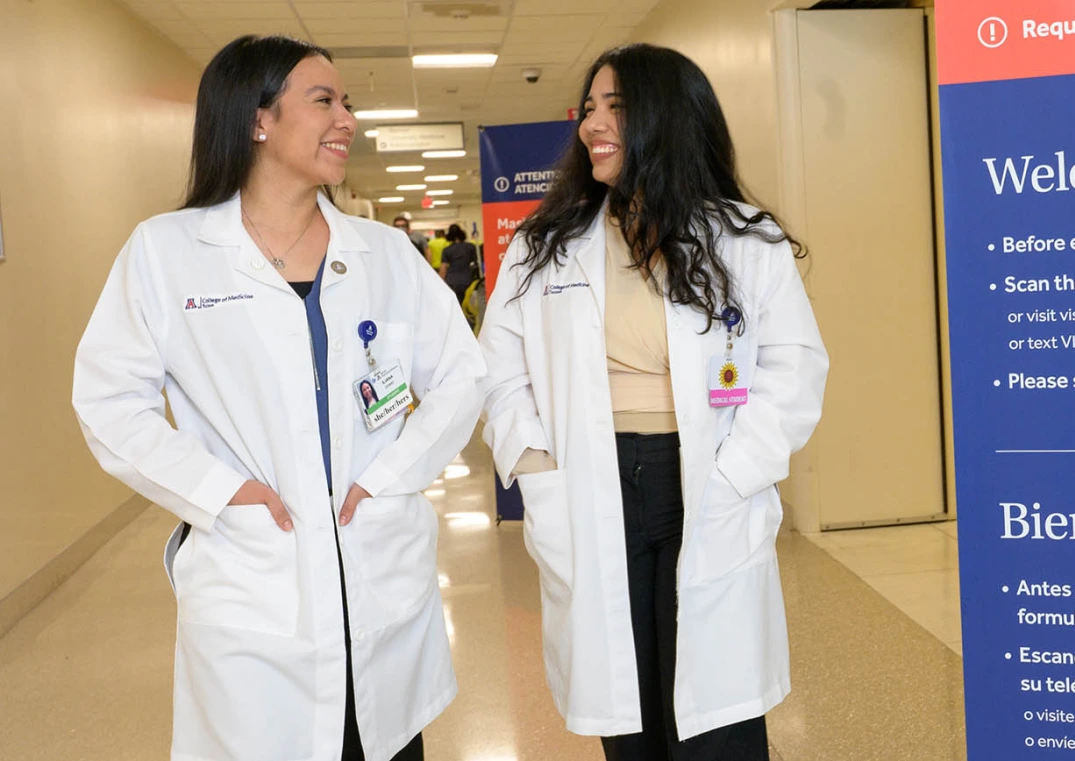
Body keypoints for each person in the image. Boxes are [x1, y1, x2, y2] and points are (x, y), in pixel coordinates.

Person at [72, 35, 485, 761]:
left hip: (376, 571)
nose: (347, 119)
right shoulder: (167, 252)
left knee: (381, 741)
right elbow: (108, 400)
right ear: (257, 120)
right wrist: (223, 489)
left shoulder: (384, 255)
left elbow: (461, 375)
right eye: (324, 100)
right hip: (256, 577)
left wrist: (390, 475)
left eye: (346, 103)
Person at [478, 44, 828, 761]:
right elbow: (497, 368)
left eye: (617, 107)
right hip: (590, 477)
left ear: (666, 118)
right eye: (589, 108)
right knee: (628, 704)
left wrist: (733, 474)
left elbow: (793, 369)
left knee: (716, 716)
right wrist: (536, 466)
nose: (591, 124)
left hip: (705, 478)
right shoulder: (547, 245)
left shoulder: (741, 238)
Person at [438, 223, 479, 305]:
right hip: (468, 281)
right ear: (461, 233)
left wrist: (439, 284)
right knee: (469, 306)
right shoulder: (471, 247)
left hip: (452, 282)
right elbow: (477, 263)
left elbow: (443, 268)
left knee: (455, 305)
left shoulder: (447, 250)